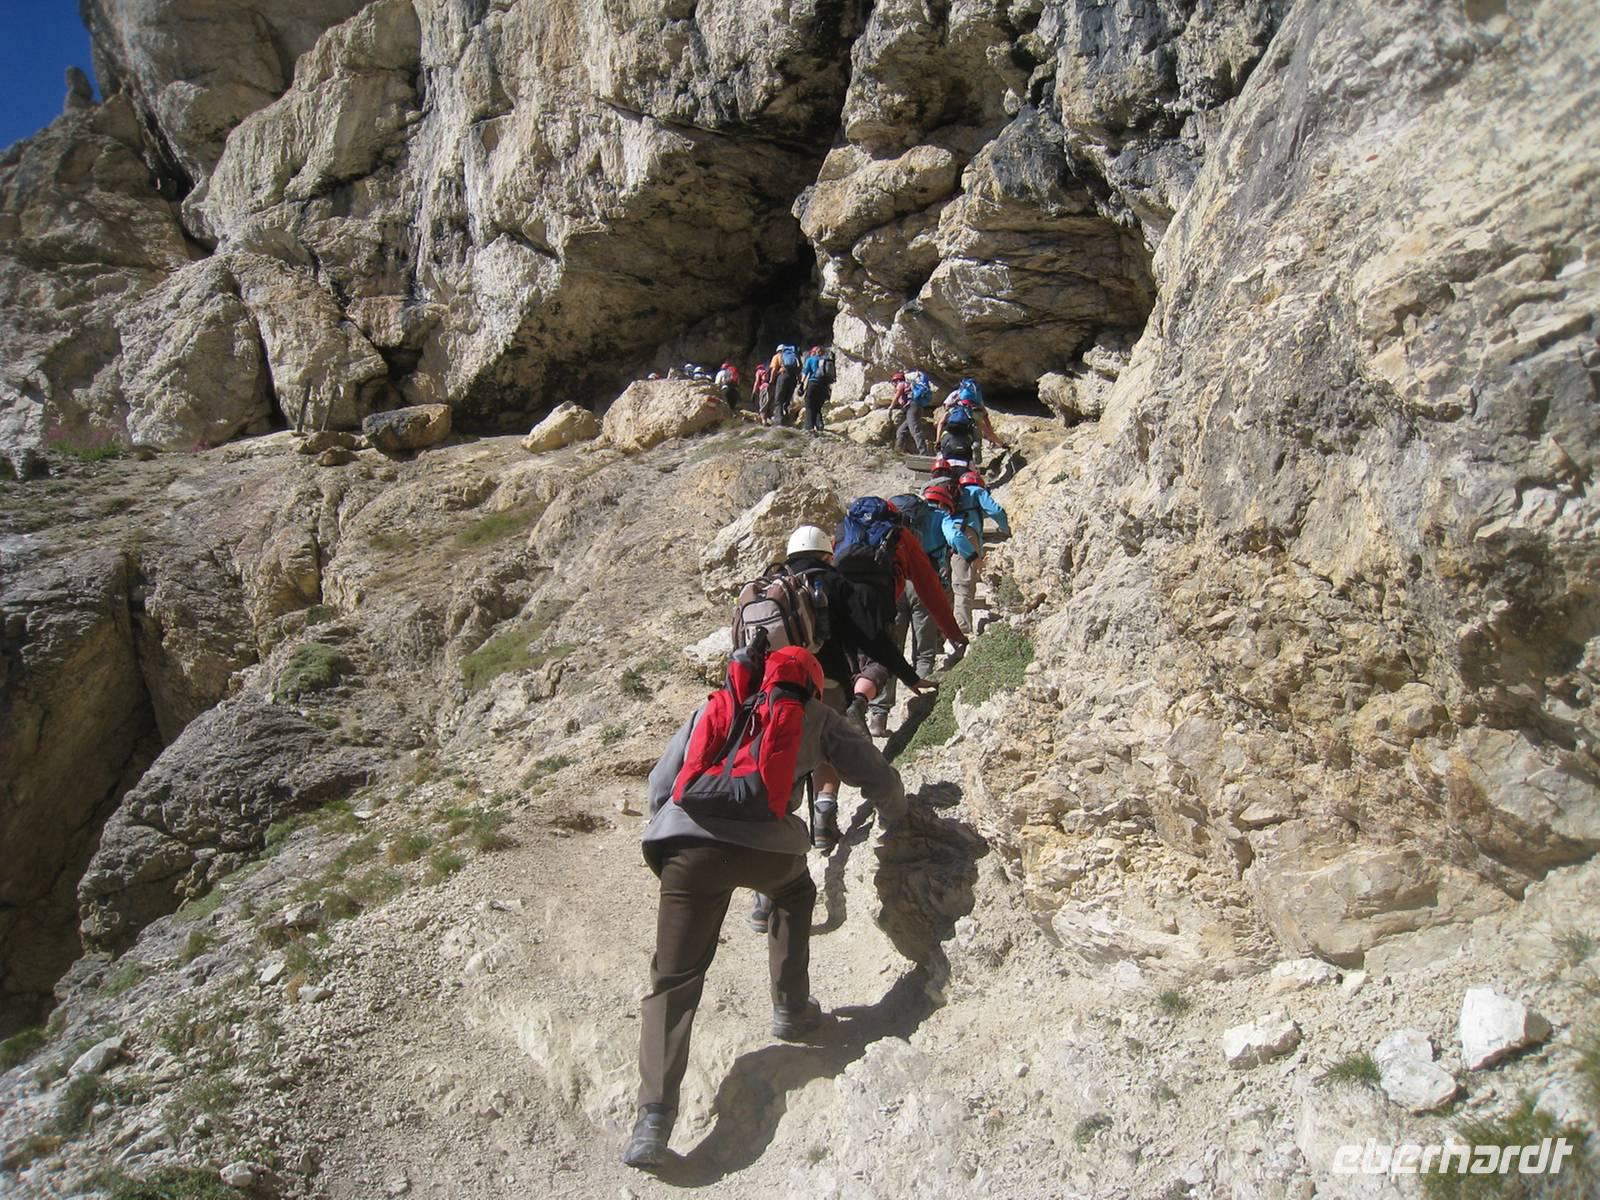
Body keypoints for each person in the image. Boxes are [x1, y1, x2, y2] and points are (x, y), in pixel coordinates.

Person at [624, 642, 908, 1170]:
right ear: (809, 682)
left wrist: (676, 835)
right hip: (768, 851)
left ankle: (653, 1120)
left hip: (687, 850)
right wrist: (900, 813)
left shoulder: (714, 706)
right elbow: (873, 773)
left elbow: (661, 784)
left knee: (674, 980)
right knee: (795, 892)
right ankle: (791, 1009)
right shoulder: (816, 716)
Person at [744, 526, 936, 932]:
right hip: (826, 687)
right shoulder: (836, 584)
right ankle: (826, 814)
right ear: (827, 554)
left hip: (770, 695)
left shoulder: (768, 589)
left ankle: (764, 893)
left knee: (782, 777)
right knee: (830, 749)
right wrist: (909, 677)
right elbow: (874, 642)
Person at [847, 496, 966, 737]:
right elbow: (930, 590)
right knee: (889, 657)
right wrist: (954, 634)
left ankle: (873, 718)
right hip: (883, 602)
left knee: (851, 666)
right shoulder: (902, 538)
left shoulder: (848, 532)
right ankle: (907, 699)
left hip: (843, 603)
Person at [950, 470, 1010, 635]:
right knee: (964, 582)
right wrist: (1006, 528)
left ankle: (948, 631)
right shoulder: (976, 491)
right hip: (966, 534)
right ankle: (962, 629)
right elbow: (995, 510)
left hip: (949, 533)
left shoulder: (956, 494)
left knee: (955, 581)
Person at [890, 370, 933, 454]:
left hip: (912, 407)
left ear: (897, 380)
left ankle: (923, 452)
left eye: (893, 382)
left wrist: (891, 407)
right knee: (901, 430)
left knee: (915, 429)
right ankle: (898, 452)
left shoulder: (901, 384)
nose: (893, 384)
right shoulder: (908, 385)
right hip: (915, 407)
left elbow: (898, 394)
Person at [800, 346, 834, 434]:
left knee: (809, 404)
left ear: (813, 352)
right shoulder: (826, 360)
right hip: (824, 385)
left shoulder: (811, 360)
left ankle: (809, 427)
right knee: (818, 406)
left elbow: (805, 372)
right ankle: (819, 424)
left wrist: (801, 385)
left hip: (813, 383)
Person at [768, 344, 801, 426]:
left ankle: (778, 421)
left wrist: (771, 381)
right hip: (793, 379)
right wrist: (800, 381)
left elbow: (774, 369)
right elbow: (799, 369)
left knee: (779, 400)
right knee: (787, 400)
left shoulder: (777, 356)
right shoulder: (795, 356)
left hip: (783, 377)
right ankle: (787, 418)